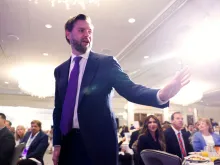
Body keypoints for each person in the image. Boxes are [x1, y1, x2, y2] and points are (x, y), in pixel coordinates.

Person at [52, 14, 190, 165]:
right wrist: (57, 143)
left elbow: (131, 89)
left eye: (90, 31)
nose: (87, 35)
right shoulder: (60, 71)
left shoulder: (106, 63)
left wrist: (161, 94)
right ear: (68, 33)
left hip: (98, 145)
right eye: (81, 30)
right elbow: (59, 109)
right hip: (68, 144)